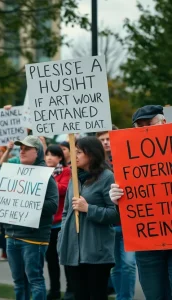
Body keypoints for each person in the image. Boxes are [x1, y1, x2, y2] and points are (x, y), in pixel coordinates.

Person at [109, 105, 172, 300]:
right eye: (139, 126)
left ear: (163, 122)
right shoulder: (128, 158)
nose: (144, 130)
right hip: (147, 245)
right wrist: (116, 198)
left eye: (148, 124)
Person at [58, 136, 119, 300]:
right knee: (79, 295)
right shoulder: (75, 177)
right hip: (73, 249)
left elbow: (115, 214)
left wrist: (88, 209)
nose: (74, 156)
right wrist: (63, 236)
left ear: (91, 154)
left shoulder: (107, 177)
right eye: (73, 152)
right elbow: (66, 211)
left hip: (96, 250)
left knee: (96, 295)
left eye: (78, 152)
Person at [4, 136, 59, 300]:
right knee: (18, 281)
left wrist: (29, 200)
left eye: (27, 148)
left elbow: (52, 206)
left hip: (33, 237)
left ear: (38, 152)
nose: (22, 151)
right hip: (12, 234)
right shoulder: (14, 172)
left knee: (34, 280)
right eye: (21, 148)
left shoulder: (45, 176)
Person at [97, 127, 137, 300]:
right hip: (110, 223)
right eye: (102, 139)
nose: (106, 142)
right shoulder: (96, 166)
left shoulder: (129, 158)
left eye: (108, 138)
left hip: (129, 222)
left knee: (128, 264)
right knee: (114, 266)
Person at [44, 145, 72, 300]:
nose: (49, 158)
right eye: (47, 154)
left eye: (53, 155)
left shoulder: (66, 171)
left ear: (60, 158)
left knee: (66, 258)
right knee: (51, 260)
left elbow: (63, 189)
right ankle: (54, 290)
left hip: (61, 223)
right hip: (47, 224)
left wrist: (45, 182)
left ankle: (70, 289)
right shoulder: (41, 171)